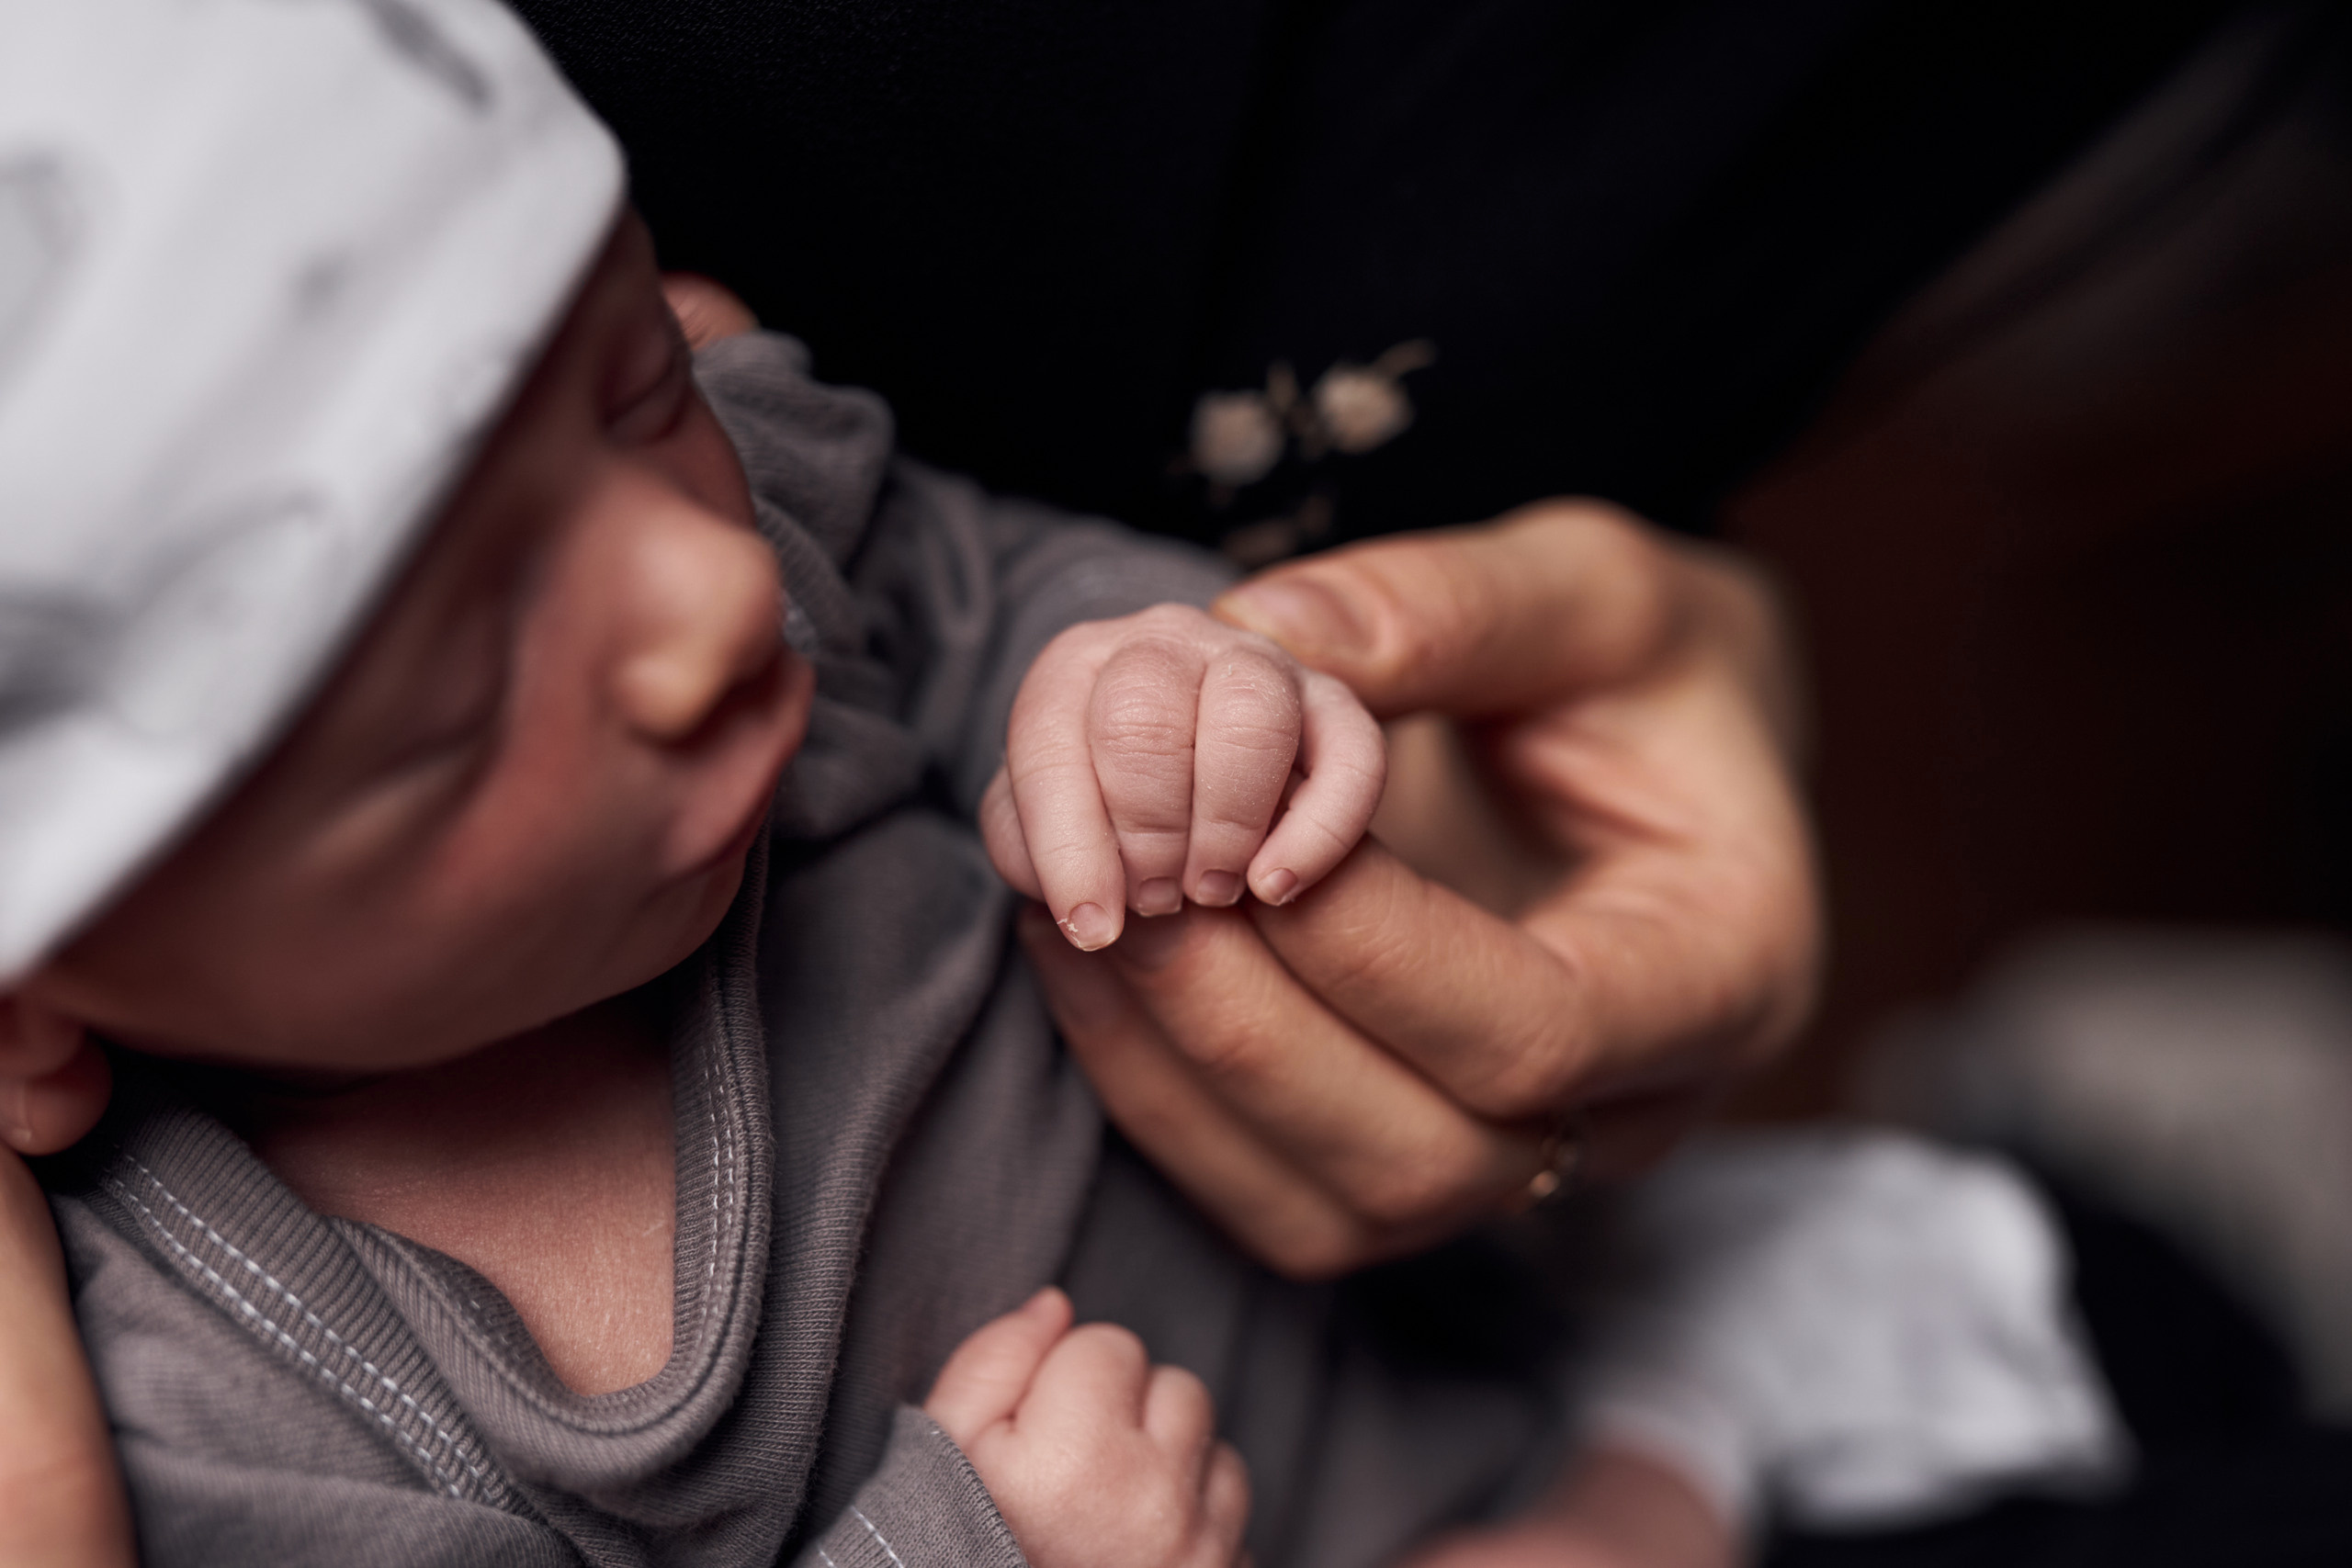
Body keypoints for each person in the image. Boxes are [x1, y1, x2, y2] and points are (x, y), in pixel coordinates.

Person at [0, 3, 1775, 1563]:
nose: (710, 594)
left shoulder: (758, 527)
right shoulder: (196, 1413)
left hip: (1484, 1399)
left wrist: (1159, 693)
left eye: (632, 390)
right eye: (456, 700)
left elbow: (982, 586)